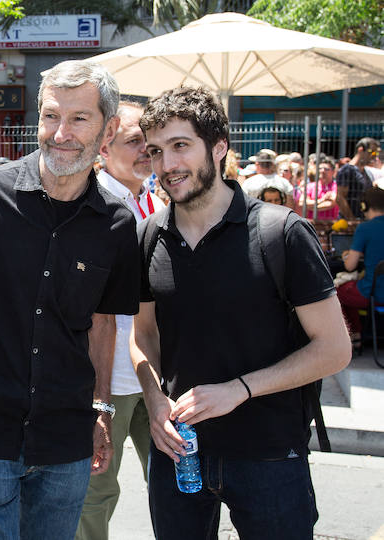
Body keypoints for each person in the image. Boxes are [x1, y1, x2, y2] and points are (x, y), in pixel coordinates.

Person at [0, 59, 140, 540]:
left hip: (67, 435)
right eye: (50, 116)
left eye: (79, 118)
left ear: (107, 131)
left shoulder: (117, 224)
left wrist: (102, 411)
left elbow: (103, 324)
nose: (60, 132)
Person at [131, 86, 350, 539]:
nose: (167, 165)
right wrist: (154, 401)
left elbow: (334, 349)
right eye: (155, 151)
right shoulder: (148, 236)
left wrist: (240, 389)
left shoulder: (281, 232)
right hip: (180, 454)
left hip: (269, 454)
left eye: (180, 146)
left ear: (219, 147)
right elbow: (143, 335)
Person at [77, 101, 163, 540]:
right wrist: (99, 399)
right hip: (109, 381)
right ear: (104, 147)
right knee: (94, 501)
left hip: (156, 377)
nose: (147, 151)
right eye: (135, 142)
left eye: (151, 143)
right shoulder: (97, 207)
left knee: (179, 490)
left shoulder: (151, 200)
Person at [337, 187, 384, 348]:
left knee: (336, 292)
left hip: (374, 293)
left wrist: (346, 255)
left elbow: (350, 266)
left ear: (364, 206)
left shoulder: (365, 229)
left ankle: (353, 336)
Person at [335, 137, 380, 220]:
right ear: (360, 150)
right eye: (372, 152)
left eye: (376, 153)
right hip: (347, 225)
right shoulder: (347, 170)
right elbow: (340, 198)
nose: (374, 156)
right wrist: (352, 220)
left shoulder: (367, 172)